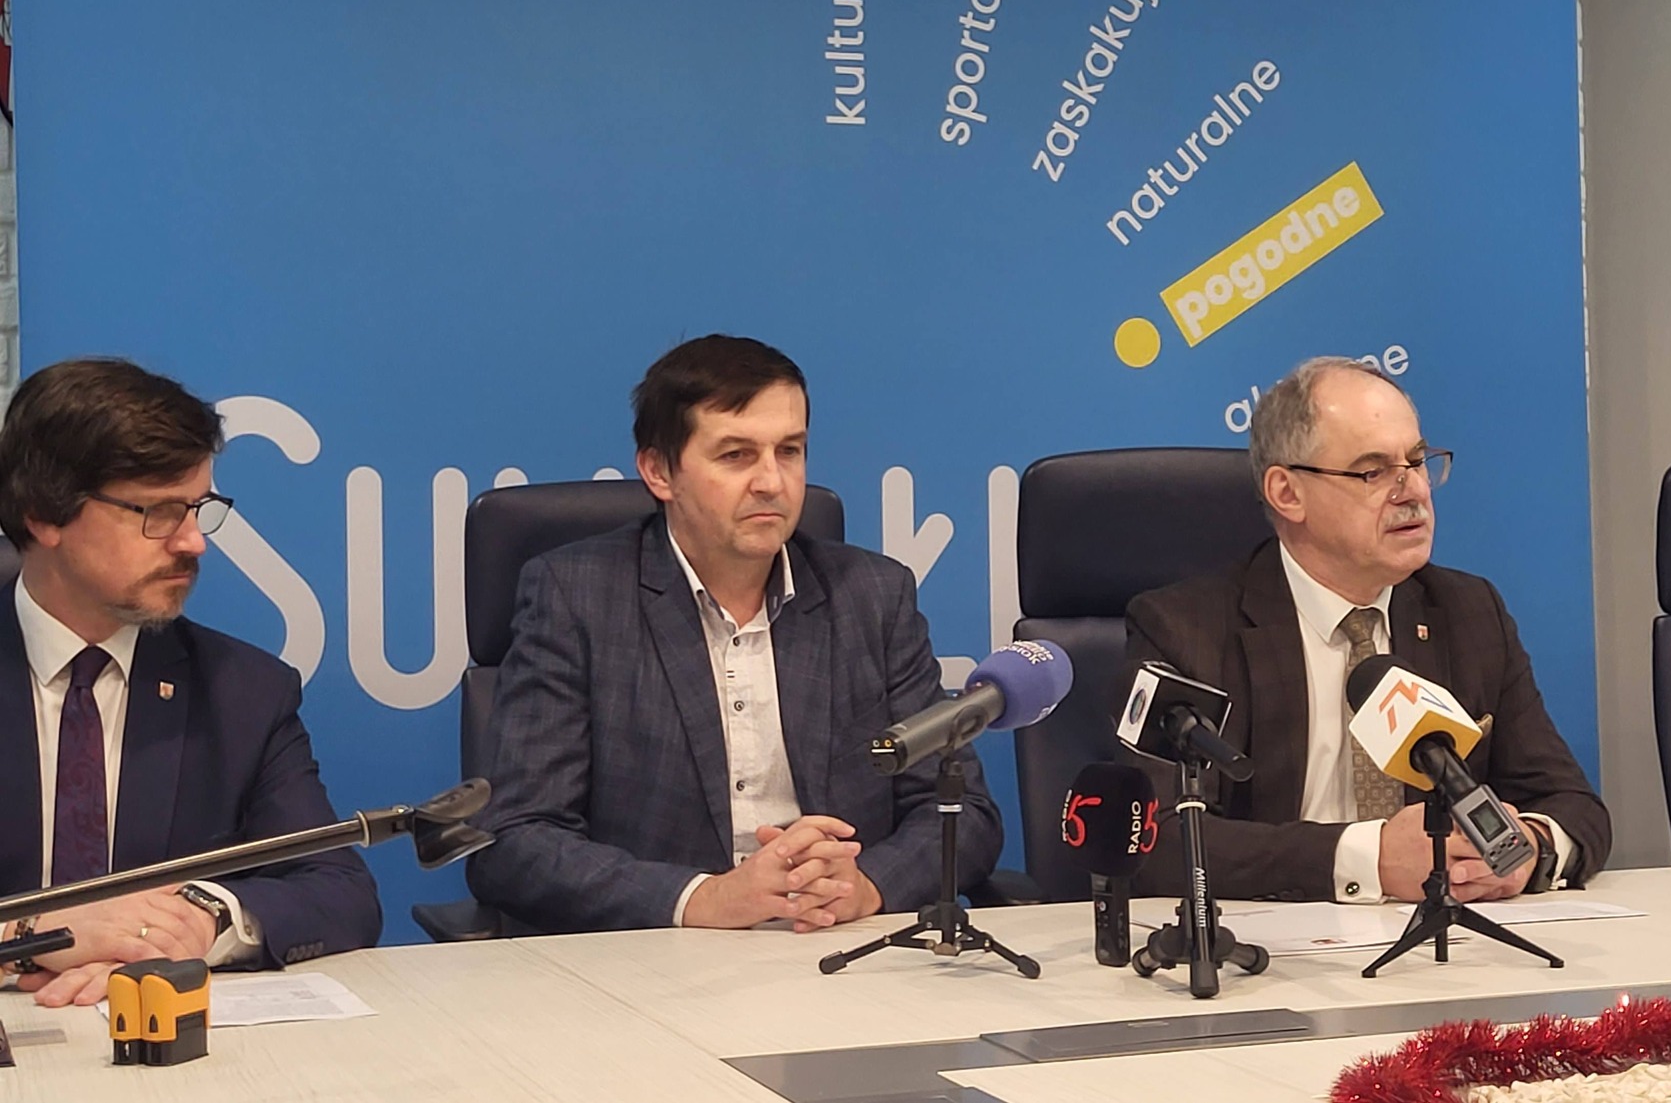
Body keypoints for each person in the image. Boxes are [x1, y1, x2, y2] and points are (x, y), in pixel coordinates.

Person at [467, 334, 1001, 934]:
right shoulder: (577, 597)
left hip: (837, 944)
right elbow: (515, 840)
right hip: (662, 954)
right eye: (736, 455)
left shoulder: (872, 596)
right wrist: (705, 898)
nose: (772, 481)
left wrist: (869, 885)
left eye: (789, 451)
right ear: (659, 471)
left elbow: (963, 813)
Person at [1120, 356, 1610, 904]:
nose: (1414, 491)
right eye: (1373, 472)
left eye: (1417, 461)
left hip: (1449, 936)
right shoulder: (1186, 629)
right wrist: (1366, 859)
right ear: (1287, 493)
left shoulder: (1468, 612)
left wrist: (1531, 849)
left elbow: (1572, 805)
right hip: (1276, 942)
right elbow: (1156, 840)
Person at [0, 358, 381, 1007]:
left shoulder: (244, 692)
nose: (193, 542)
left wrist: (200, 921)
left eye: (199, 509)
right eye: (159, 512)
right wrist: (29, 934)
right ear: (44, 514)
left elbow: (340, 889)